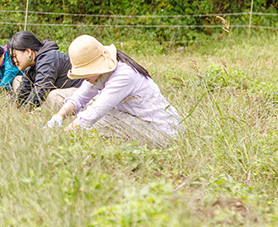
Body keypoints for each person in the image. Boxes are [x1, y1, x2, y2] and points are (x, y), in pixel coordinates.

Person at [45, 35, 181, 147]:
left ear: (95, 67)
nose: (83, 78)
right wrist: (59, 116)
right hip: (140, 122)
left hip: (162, 131)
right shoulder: (100, 74)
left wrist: (62, 136)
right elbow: (79, 98)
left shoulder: (123, 76)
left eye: (84, 73)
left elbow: (94, 113)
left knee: (104, 119)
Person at [8, 30, 83, 108]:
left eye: (14, 56)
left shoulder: (48, 59)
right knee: (18, 80)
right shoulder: (34, 65)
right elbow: (23, 90)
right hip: (68, 94)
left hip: (84, 95)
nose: (14, 60)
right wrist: (9, 108)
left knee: (53, 96)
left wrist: (24, 111)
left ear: (28, 52)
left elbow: (40, 90)